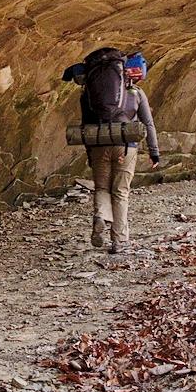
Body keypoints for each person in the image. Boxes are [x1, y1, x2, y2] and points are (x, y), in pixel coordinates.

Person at [75, 49, 160, 252]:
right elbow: (148, 124)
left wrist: (89, 152)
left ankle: (100, 216)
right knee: (120, 192)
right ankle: (119, 240)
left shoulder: (88, 94)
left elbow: (85, 125)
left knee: (102, 188)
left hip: (98, 145)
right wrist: (154, 151)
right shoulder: (136, 94)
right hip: (125, 146)